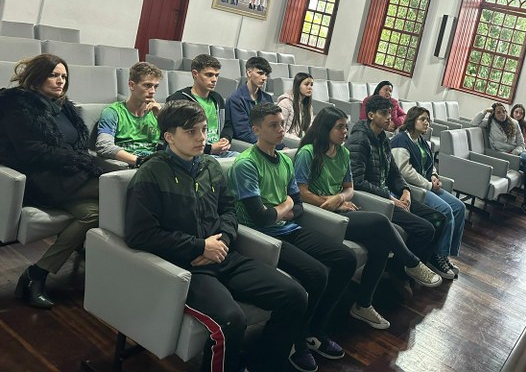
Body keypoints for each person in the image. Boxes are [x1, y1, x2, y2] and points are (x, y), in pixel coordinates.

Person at [125, 100, 307, 372]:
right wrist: (199, 246)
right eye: (191, 132)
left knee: (294, 295)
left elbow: (229, 210)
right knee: (231, 321)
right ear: (169, 137)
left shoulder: (210, 165)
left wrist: (222, 241)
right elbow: (140, 235)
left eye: (203, 129)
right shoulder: (151, 174)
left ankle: (264, 363)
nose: (201, 137)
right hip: (185, 267)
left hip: (223, 254)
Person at [228, 103, 354, 372]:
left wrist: (282, 210)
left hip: (288, 229)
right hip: (261, 238)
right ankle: (296, 341)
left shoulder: (285, 160)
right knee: (317, 274)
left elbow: (298, 207)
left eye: (282, 124)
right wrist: (284, 206)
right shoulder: (246, 164)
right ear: (256, 129)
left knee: (346, 258)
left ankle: (313, 329)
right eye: (273, 125)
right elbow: (261, 218)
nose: (280, 129)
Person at [295, 107, 441, 330]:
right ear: (325, 129)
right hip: (321, 215)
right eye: (340, 127)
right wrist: (331, 201)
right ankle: (411, 262)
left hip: (341, 210)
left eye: (346, 127)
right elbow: (301, 191)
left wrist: (340, 198)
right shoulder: (308, 153)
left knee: (381, 246)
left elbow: (349, 188)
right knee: (380, 221)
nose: (345, 132)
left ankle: (363, 305)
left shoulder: (343, 153)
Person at [0, 54, 102, 309]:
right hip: (39, 180)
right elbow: (32, 152)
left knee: (94, 213)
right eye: (53, 75)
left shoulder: (63, 107)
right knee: (118, 190)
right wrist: (82, 162)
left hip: (68, 179)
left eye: (64, 76)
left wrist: (78, 161)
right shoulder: (17, 103)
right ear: (37, 76)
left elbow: (76, 146)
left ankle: (36, 274)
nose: (60, 81)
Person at [347, 94, 446, 299]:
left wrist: (405, 190)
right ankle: (400, 270)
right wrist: (391, 199)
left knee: (439, 219)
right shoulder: (360, 139)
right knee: (425, 228)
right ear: (371, 115)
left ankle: (405, 268)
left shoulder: (383, 138)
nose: (389, 118)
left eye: (390, 113)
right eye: (384, 114)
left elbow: (394, 172)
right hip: (376, 201)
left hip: (391, 195)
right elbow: (357, 181)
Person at [391, 107, 466, 280]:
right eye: (422, 119)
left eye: (428, 119)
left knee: (459, 207)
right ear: (412, 120)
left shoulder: (422, 141)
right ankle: (436, 256)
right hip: (412, 187)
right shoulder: (401, 140)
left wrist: (434, 176)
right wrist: (428, 184)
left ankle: (445, 254)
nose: (426, 123)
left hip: (427, 184)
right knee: (446, 210)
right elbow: (404, 171)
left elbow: (430, 164)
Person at [470, 103, 526, 217]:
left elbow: (521, 143)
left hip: (516, 152)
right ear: (493, 114)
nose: (502, 114)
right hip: (503, 154)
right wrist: (485, 111)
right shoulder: (489, 123)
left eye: (504, 111)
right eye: (498, 112)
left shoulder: (514, 123)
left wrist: (515, 153)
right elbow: (473, 123)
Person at [167, 54, 236, 157]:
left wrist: (226, 138)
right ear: (195, 74)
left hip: (220, 151)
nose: (214, 79)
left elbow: (227, 124)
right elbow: (178, 136)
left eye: (216, 75)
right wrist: (210, 148)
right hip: (195, 155)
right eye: (209, 75)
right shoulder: (179, 99)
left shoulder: (218, 99)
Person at [95, 61, 162, 167]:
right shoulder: (113, 112)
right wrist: (139, 161)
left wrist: (162, 117)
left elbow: (175, 144)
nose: (153, 91)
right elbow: (103, 146)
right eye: (147, 85)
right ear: (132, 85)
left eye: (156, 86)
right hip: (129, 164)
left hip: (154, 164)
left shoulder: (157, 112)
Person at [226, 56, 273, 144]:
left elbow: (272, 126)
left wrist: (280, 145)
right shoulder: (236, 99)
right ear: (249, 72)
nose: (264, 78)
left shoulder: (267, 98)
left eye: (266, 74)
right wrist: (269, 143)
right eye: (260, 73)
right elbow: (243, 132)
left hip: (266, 142)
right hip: (249, 145)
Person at [277, 72, 314, 143]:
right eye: (306, 84)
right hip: (285, 142)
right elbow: (279, 131)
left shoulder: (308, 106)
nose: (310, 87)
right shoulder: (285, 103)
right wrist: (300, 141)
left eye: (311, 85)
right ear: (298, 85)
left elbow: (310, 129)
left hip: (298, 141)